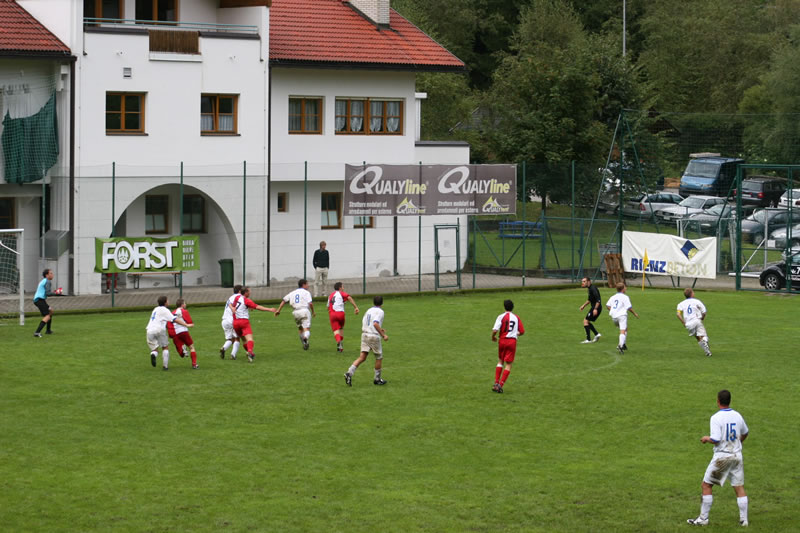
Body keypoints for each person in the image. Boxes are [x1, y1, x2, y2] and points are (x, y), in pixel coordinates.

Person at [687, 389, 749, 527]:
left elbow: (715, 439)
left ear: (718, 401)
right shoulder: (737, 415)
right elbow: (745, 432)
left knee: (706, 485)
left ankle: (703, 519)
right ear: (730, 401)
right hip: (737, 455)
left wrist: (705, 438)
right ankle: (744, 520)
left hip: (722, 458)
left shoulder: (716, 418)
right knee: (739, 487)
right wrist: (738, 443)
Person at [344, 295, 388, 386]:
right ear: (382, 303)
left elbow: (367, 322)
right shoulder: (380, 311)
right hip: (373, 336)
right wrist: (383, 335)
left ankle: (349, 373)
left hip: (364, 334)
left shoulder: (369, 310)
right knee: (379, 357)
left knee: (362, 357)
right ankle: (377, 379)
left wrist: (379, 329)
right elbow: (375, 323)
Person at [231, 286, 276, 363]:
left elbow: (233, 305)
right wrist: (269, 309)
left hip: (235, 322)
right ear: (245, 293)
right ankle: (250, 352)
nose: (250, 292)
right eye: (249, 291)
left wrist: (233, 308)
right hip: (244, 322)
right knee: (250, 339)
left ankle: (248, 352)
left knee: (244, 340)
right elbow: (258, 307)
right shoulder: (247, 300)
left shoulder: (237, 298)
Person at [146, 295, 191, 370]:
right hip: (160, 329)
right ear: (165, 302)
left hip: (149, 330)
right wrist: (185, 324)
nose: (169, 302)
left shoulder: (155, 309)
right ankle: (165, 366)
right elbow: (174, 319)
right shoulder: (165, 310)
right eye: (168, 300)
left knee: (154, 349)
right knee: (165, 347)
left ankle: (153, 354)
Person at [491, 299, 525, 393]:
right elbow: (522, 331)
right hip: (512, 342)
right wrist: (514, 333)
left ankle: (496, 383)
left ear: (504, 307)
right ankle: (500, 385)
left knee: (500, 361)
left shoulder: (501, 316)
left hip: (502, 341)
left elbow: (495, 330)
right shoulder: (516, 317)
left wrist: (493, 337)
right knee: (509, 364)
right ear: (512, 307)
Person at [275, 279, 315, 350]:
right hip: (304, 310)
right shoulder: (306, 292)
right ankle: (305, 338)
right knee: (306, 329)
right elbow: (310, 303)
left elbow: (284, 300)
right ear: (304, 285)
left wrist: (278, 310)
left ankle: (304, 344)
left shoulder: (292, 292)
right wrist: (313, 311)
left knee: (300, 329)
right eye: (307, 284)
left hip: (295, 312)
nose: (308, 286)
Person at [677, 288, 712, 357]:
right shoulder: (697, 301)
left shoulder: (681, 304)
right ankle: (705, 341)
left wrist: (683, 323)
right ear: (692, 294)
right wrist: (702, 318)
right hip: (696, 321)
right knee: (704, 336)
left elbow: (678, 314)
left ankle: (707, 352)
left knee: (698, 337)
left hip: (688, 324)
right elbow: (704, 311)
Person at [605, 283, 639, 354]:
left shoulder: (613, 297)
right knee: (622, 331)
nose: (626, 288)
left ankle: (623, 344)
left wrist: (613, 310)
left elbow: (607, 305)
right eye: (625, 287)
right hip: (622, 316)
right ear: (623, 289)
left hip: (614, 317)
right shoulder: (625, 297)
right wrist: (635, 313)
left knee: (625, 329)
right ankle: (620, 345)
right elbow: (629, 308)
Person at [327, 281, 359, 352]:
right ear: (340, 288)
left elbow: (328, 306)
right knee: (341, 328)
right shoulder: (341, 293)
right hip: (341, 314)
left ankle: (338, 342)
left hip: (332, 314)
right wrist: (355, 307)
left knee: (336, 330)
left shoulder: (330, 295)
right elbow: (349, 297)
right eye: (342, 286)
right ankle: (341, 345)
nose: (343, 288)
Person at [167, 298, 199, 369]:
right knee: (191, 347)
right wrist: (190, 324)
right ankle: (194, 364)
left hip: (175, 334)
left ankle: (183, 349)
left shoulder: (172, 313)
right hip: (183, 331)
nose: (185, 304)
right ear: (182, 305)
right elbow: (190, 322)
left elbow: (168, 323)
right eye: (185, 303)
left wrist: (171, 334)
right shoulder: (183, 311)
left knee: (181, 354)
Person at [219, 284, 243, 360]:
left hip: (224, 321)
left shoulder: (230, 298)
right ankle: (233, 355)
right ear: (239, 291)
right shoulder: (240, 298)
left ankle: (224, 348)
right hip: (233, 321)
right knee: (237, 338)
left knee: (229, 339)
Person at [33, 269, 56, 337]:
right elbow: (48, 293)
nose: (52, 275)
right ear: (47, 275)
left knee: (51, 311)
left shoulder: (44, 281)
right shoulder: (47, 281)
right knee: (47, 316)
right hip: (39, 300)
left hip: (40, 300)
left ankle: (48, 330)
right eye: (51, 273)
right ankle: (37, 332)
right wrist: (56, 293)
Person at [579, 276, 602, 343]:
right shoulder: (589, 289)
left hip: (596, 307)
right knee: (587, 321)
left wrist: (595, 309)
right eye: (582, 281)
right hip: (595, 307)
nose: (582, 283)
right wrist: (583, 306)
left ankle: (588, 339)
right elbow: (589, 300)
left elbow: (598, 300)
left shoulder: (593, 289)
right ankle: (597, 334)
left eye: (584, 281)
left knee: (585, 321)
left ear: (589, 281)